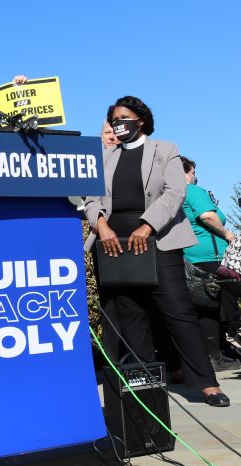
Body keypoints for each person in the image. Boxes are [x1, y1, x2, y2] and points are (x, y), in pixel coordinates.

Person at [84, 96, 230, 407]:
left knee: (178, 311)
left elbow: (175, 192)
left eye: (124, 117)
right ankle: (143, 381)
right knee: (130, 314)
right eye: (113, 119)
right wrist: (102, 227)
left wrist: (147, 226)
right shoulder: (105, 157)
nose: (118, 124)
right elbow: (91, 198)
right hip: (113, 244)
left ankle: (206, 383)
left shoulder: (165, 150)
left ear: (141, 119)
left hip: (158, 239)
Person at [180, 156, 241, 371]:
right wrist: (228, 234)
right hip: (209, 258)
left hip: (188, 256)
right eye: (193, 172)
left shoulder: (172, 195)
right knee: (211, 307)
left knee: (201, 307)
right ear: (186, 172)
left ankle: (215, 352)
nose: (195, 176)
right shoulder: (193, 191)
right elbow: (207, 217)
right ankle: (214, 357)